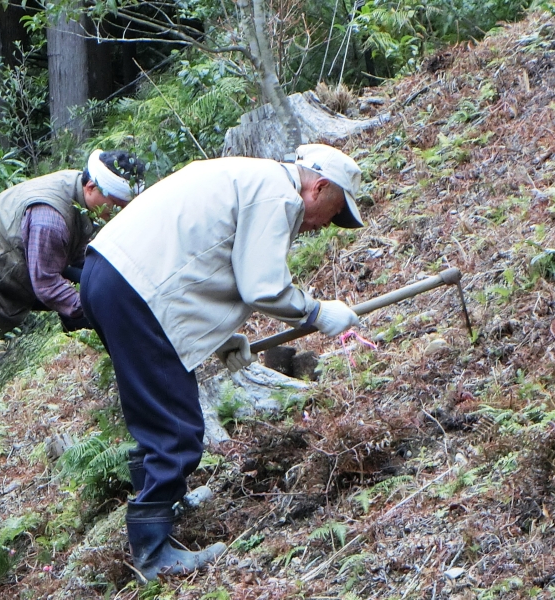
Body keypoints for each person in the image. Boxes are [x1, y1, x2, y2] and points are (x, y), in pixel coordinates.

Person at [79, 144, 365, 581]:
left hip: (111, 275)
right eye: (334, 210)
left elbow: (197, 260)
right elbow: (262, 286)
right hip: (134, 290)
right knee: (175, 427)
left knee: (153, 411)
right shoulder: (278, 195)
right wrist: (318, 312)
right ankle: (153, 552)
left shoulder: (251, 177)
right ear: (319, 187)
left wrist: (219, 336)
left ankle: (160, 513)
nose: (326, 224)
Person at [0, 149, 145, 417]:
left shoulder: (78, 194)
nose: (121, 212)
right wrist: (95, 309)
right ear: (91, 187)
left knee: (98, 288)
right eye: (117, 204)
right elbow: (48, 284)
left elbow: (84, 258)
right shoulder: (51, 217)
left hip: (9, 270)